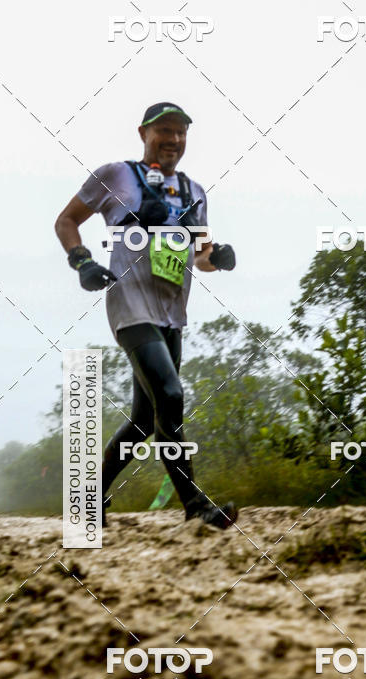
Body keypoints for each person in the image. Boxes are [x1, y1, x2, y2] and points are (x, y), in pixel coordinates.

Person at [55, 101, 238, 529]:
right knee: (170, 397)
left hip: (172, 315)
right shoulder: (116, 175)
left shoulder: (194, 192)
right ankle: (195, 506)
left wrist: (218, 258)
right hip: (131, 307)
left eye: (180, 132)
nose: (173, 139)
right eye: (164, 130)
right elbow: (66, 220)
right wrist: (81, 262)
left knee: (143, 421)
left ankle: (89, 499)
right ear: (143, 133)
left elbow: (201, 255)